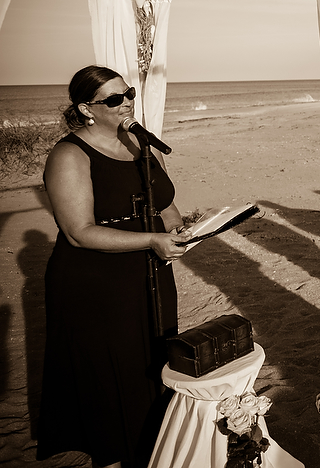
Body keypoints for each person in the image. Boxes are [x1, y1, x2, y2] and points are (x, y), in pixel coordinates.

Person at [37, 66, 190, 468]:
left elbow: (166, 208)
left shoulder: (143, 144)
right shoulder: (69, 154)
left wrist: (185, 231)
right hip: (96, 282)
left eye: (129, 94)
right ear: (86, 109)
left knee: (154, 361)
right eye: (114, 99)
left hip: (152, 273)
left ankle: (153, 448)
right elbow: (79, 232)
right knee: (112, 374)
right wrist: (152, 241)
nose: (126, 104)